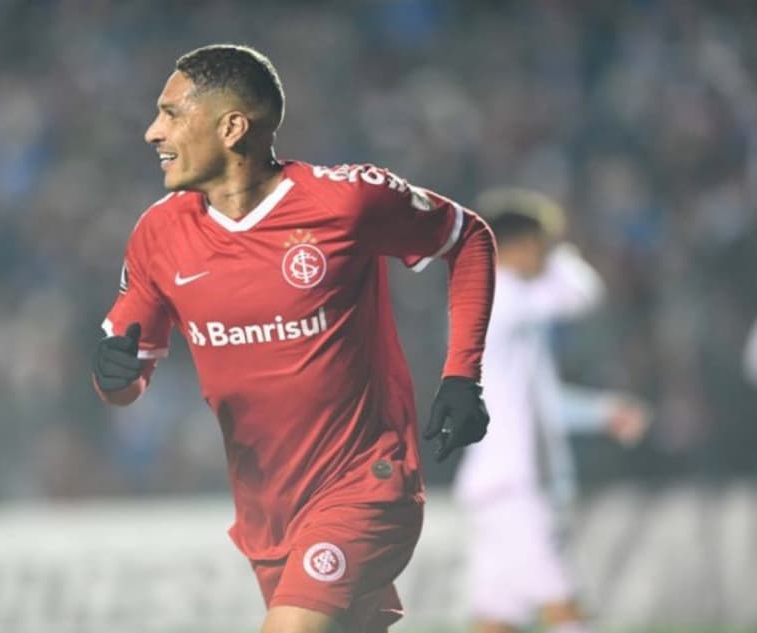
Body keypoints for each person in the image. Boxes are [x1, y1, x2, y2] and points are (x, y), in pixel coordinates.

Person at [91, 44, 496, 633]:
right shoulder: (159, 233)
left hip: (363, 483)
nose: (154, 131)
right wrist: (111, 376)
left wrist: (462, 376)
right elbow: (128, 376)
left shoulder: (346, 200)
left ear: (232, 127)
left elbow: (468, 238)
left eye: (171, 113)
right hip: (268, 511)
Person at [452, 188, 650, 633]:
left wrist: (601, 412)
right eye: (541, 245)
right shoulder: (499, 294)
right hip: (516, 484)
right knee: (565, 607)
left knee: (497, 618)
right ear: (521, 244)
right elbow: (582, 296)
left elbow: (538, 399)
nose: (545, 256)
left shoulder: (495, 302)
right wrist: (564, 250)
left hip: (496, 483)